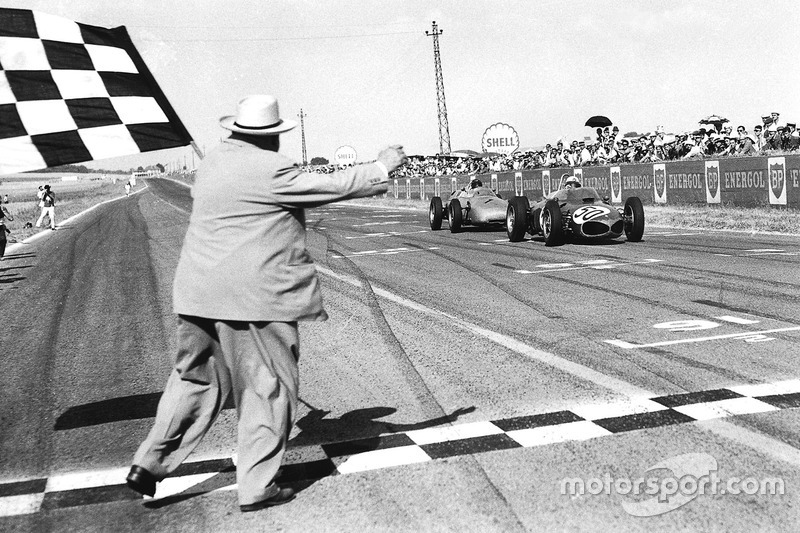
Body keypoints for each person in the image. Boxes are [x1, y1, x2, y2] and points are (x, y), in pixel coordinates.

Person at [125, 94, 406, 512]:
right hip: (254, 300)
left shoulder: (213, 163)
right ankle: (257, 486)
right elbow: (328, 186)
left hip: (197, 293)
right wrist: (381, 166)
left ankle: (148, 463)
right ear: (270, 136)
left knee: (193, 381)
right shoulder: (271, 168)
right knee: (267, 389)